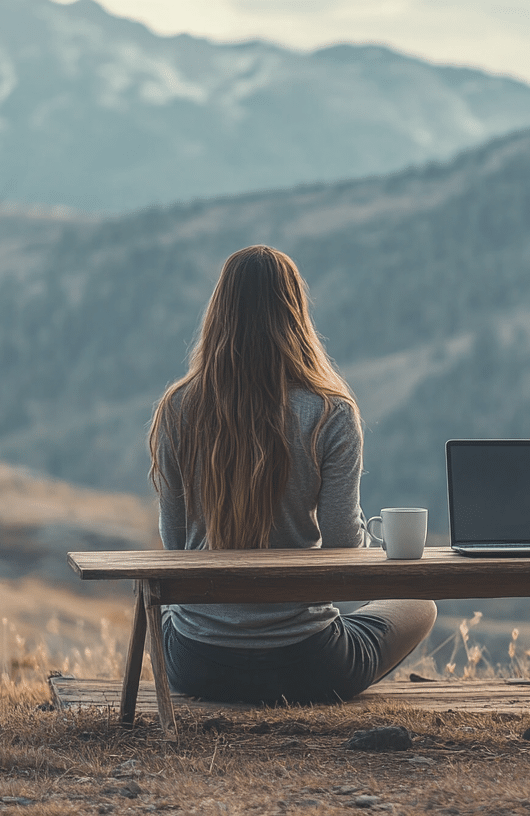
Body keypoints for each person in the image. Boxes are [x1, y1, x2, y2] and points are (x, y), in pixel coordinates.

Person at [148, 245, 437, 704]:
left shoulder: (179, 408)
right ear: (295, 314)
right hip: (308, 663)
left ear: (219, 312)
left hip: (198, 664)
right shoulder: (330, 412)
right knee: (421, 604)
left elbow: (174, 539)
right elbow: (344, 541)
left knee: (162, 619)